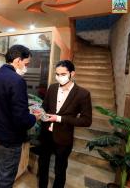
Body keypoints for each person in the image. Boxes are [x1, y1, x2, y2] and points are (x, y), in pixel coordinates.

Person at [0, 45, 38, 188]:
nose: (26, 67)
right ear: (17, 60)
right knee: (5, 180)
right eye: (26, 63)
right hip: (10, 140)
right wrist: (34, 118)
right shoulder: (17, 81)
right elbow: (21, 119)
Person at [38, 60, 92, 188]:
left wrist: (59, 119)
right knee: (42, 166)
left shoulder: (82, 94)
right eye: (57, 74)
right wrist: (39, 112)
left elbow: (86, 121)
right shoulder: (52, 88)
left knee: (60, 170)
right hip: (46, 134)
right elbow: (44, 107)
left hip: (63, 137)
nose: (59, 77)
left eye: (63, 74)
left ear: (72, 73)